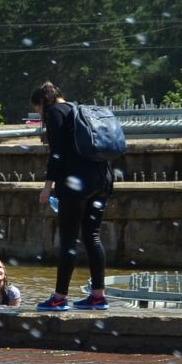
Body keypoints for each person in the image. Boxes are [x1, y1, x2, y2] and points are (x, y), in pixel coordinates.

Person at [32, 80, 113, 312]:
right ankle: (98, 296)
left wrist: (48, 186)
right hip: (101, 179)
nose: (39, 115)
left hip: (76, 184)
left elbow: (56, 154)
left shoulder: (55, 112)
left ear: (43, 103)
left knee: (68, 239)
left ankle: (59, 298)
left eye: (38, 110)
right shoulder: (80, 110)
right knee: (93, 236)